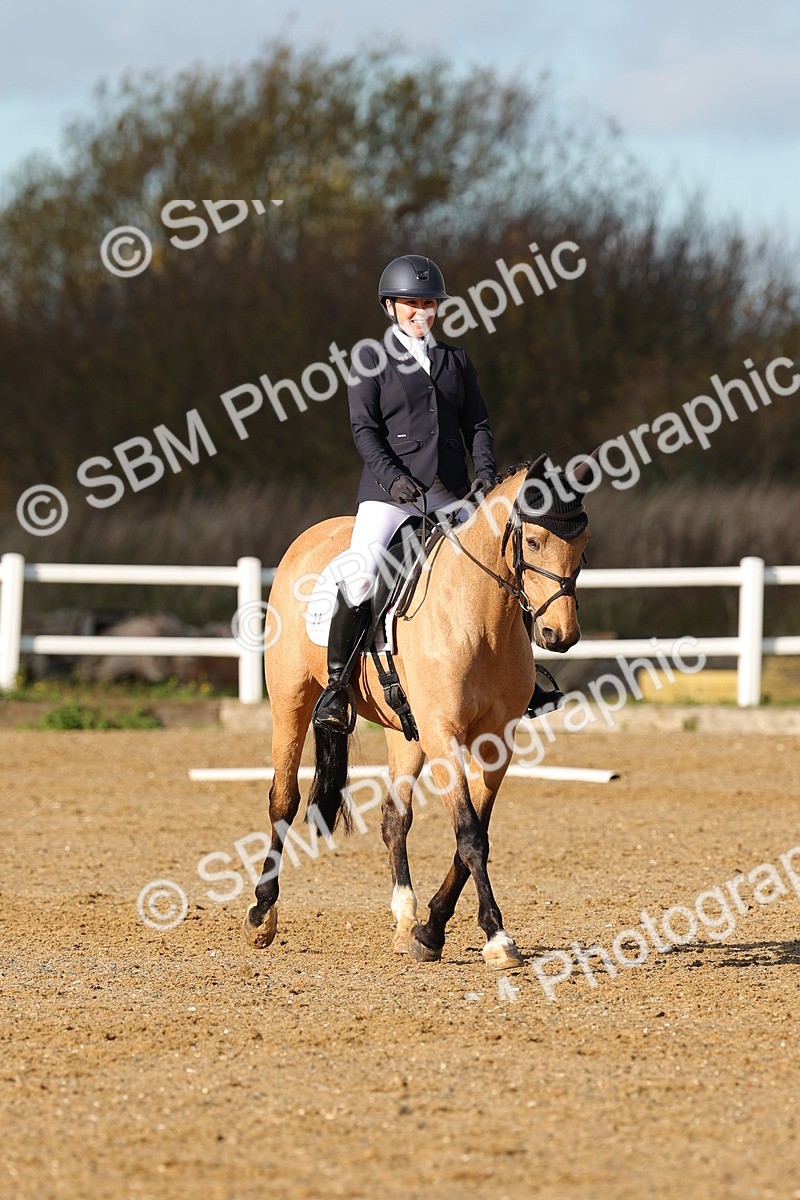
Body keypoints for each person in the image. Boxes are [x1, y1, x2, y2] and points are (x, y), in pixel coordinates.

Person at [313, 253, 561, 731]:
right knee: (363, 574)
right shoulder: (370, 359)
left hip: (449, 494)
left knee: (501, 564)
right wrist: (393, 477)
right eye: (410, 303)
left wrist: (485, 471)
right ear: (390, 307)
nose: (420, 311)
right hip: (389, 496)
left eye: (428, 303)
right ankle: (336, 688)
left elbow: (478, 424)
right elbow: (365, 430)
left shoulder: (455, 360)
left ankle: (517, 684)